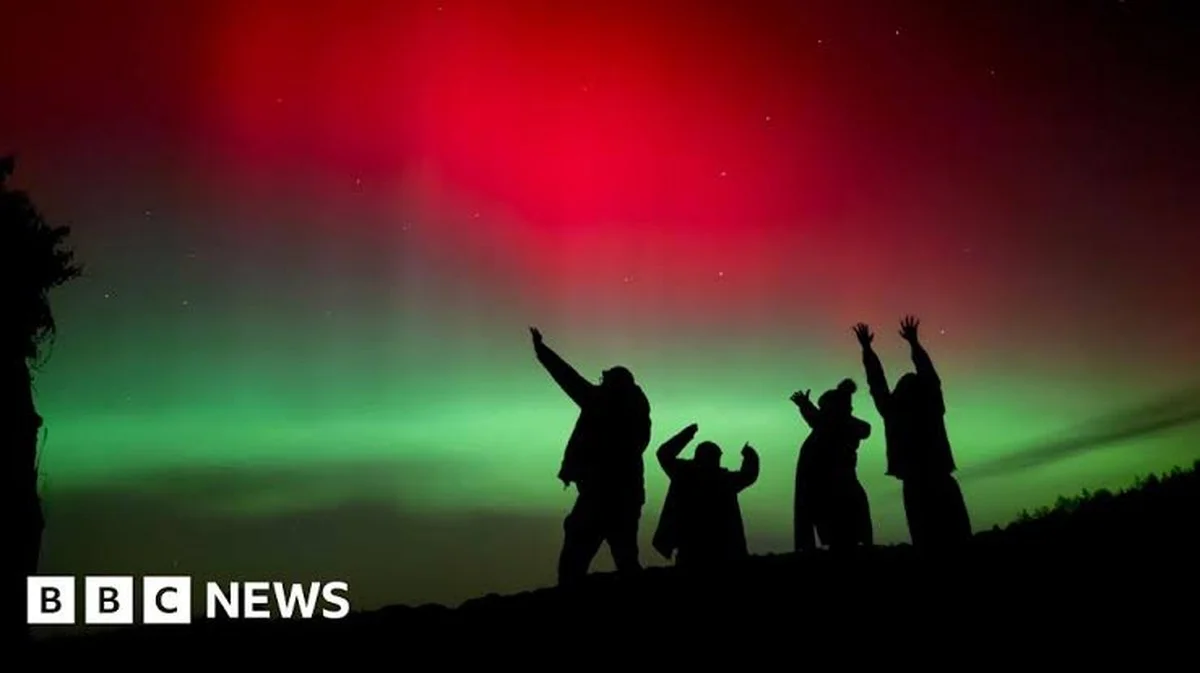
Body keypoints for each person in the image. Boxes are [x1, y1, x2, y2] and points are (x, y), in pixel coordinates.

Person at [530, 327, 652, 584]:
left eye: (605, 380)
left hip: (601, 495)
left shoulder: (601, 403)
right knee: (624, 556)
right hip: (625, 496)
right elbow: (569, 378)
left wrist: (542, 351)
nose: (600, 382)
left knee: (576, 558)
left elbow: (568, 378)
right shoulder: (636, 412)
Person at [852, 316, 971, 549]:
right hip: (937, 477)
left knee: (926, 538)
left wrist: (867, 349)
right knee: (956, 537)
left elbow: (877, 382)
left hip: (917, 482)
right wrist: (914, 344)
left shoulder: (893, 411)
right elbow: (928, 375)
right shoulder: (931, 406)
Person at [652, 423, 760, 568]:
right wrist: (749, 456)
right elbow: (748, 476)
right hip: (706, 550)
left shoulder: (686, 473)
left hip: (708, 550)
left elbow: (663, 454)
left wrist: (687, 434)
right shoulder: (705, 477)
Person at [790, 380, 873, 551]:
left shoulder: (840, 426)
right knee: (841, 536)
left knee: (843, 535)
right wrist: (806, 406)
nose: (823, 412)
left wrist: (806, 405)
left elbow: (822, 421)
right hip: (828, 488)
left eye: (825, 408)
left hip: (837, 488)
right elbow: (819, 420)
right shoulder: (833, 425)